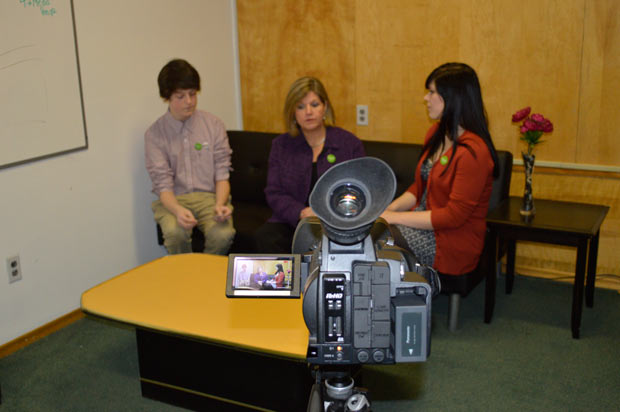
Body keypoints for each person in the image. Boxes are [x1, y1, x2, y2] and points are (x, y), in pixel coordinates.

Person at [381, 62, 499, 278]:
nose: (426, 98)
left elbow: (453, 217)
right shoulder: (436, 133)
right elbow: (420, 187)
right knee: (371, 234)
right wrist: (388, 211)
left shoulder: (474, 152)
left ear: (452, 98)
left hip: (450, 240)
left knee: (377, 242)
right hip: (423, 224)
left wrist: (394, 218)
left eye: (432, 92)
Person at [255, 76, 366, 253]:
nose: (308, 112)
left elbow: (359, 190)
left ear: (325, 108)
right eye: (300, 106)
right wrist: (301, 212)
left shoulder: (349, 144)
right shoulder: (281, 145)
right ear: (293, 112)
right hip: (292, 220)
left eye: (314, 105)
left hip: (337, 222)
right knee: (266, 237)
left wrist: (329, 214)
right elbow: (274, 192)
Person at [145, 59, 235, 255]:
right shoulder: (154, 134)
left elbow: (222, 175)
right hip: (173, 199)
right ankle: (184, 277)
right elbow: (163, 185)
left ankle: (205, 276)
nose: (189, 101)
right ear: (167, 97)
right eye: (180, 96)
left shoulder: (214, 125)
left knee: (222, 234)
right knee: (174, 232)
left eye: (192, 94)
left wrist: (220, 204)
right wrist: (177, 210)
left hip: (209, 197)